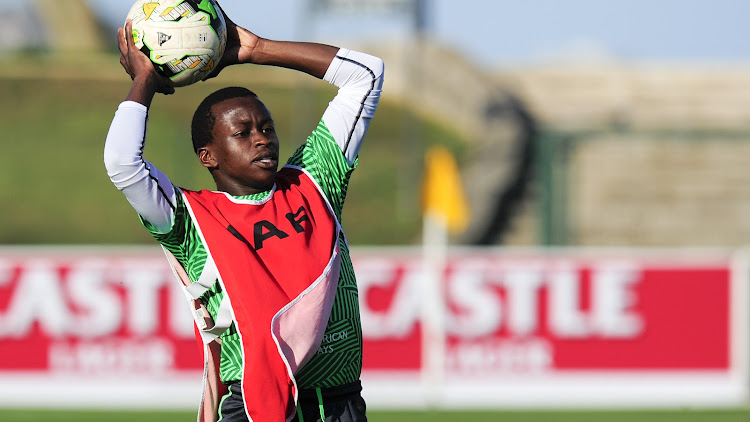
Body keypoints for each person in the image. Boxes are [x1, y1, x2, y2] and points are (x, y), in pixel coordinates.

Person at [103, 4, 384, 421]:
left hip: (343, 404)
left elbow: (367, 75)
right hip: (256, 408)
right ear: (208, 156)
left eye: (267, 128)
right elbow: (123, 164)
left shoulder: (313, 180)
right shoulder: (190, 220)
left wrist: (257, 48)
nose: (262, 140)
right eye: (242, 133)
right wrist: (145, 77)